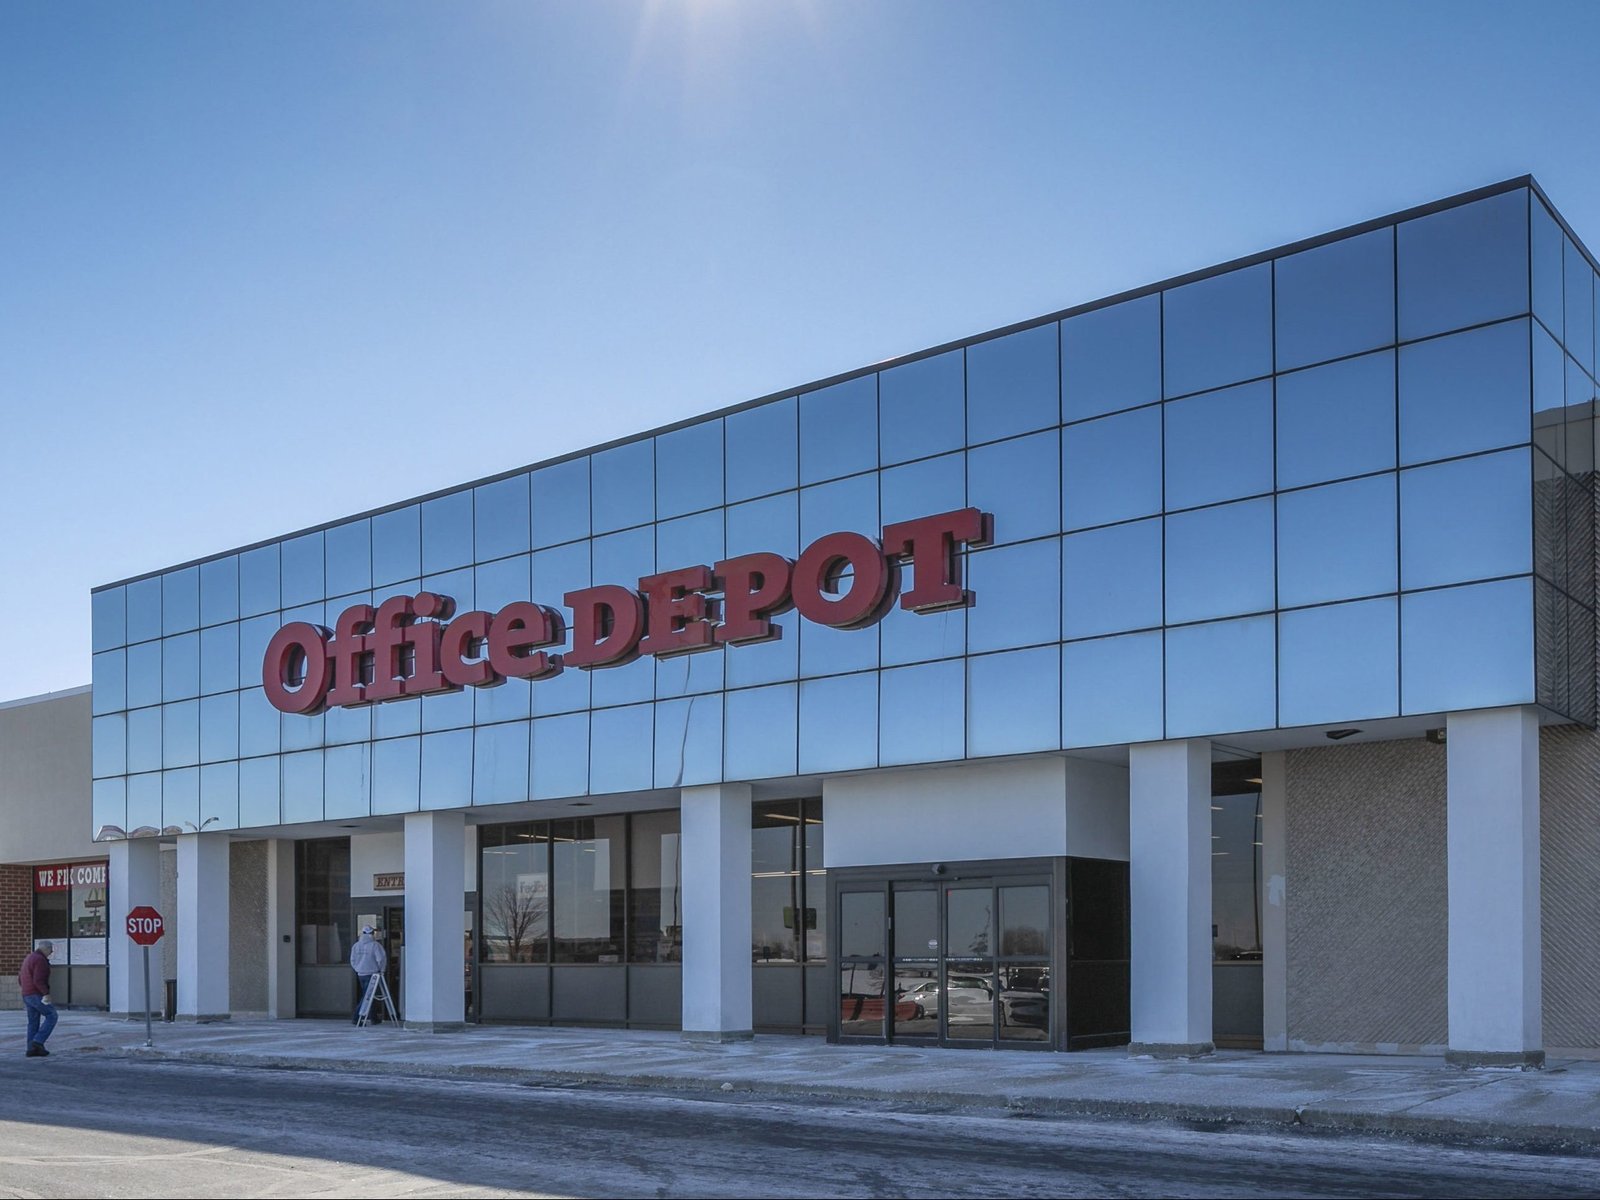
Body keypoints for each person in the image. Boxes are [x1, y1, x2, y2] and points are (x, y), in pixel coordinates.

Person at [19, 941, 57, 1058]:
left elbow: (20, 978)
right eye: (51, 949)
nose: (52, 952)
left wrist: (25, 989)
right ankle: (38, 1041)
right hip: (36, 994)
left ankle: (31, 1049)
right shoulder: (40, 960)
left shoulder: (29, 958)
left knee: (33, 1022)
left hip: (26, 994)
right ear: (46, 949)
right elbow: (39, 980)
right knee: (52, 1015)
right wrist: (46, 993)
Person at [349, 925, 387, 1025]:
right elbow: (381, 959)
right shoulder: (375, 945)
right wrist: (381, 970)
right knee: (367, 996)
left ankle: (373, 1017)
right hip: (372, 974)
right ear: (371, 933)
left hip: (361, 974)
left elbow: (352, 960)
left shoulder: (356, 946)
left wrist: (358, 968)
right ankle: (356, 1017)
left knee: (369, 995)